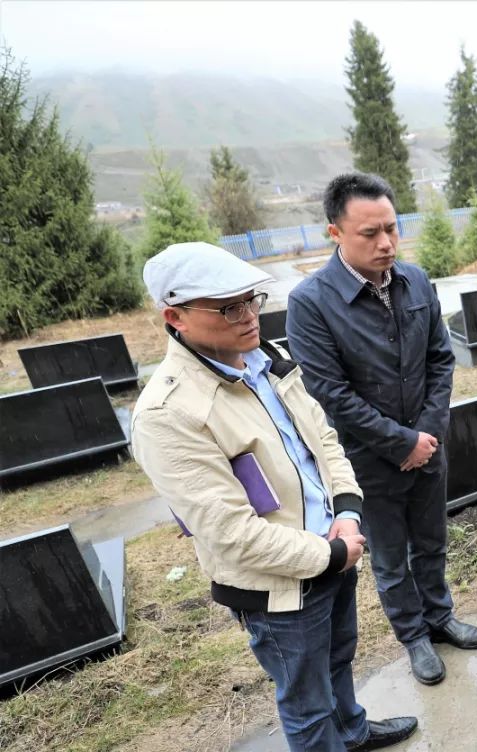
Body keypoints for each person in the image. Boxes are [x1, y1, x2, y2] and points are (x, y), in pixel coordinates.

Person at [131, 241, 417, 752]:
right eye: (228, 308)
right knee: (306, 701)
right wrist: (330, 554)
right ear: (175, 317)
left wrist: (348, 514)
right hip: (279, 586)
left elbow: (322, 442)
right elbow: (230, 533)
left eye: (252, 300)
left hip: (335, 543)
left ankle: (351, 733)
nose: (248, 317)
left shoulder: (266, 358)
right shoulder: (169, 413)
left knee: (337, 658)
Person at [287, 172, 477, 687]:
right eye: (369, 234)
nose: (386, 243)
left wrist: (427, 434)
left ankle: (440, 617)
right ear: (335, 233)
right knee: (391, 556)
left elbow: (441, 361)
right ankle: (413, 635)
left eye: (392, 229)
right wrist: (401, 443)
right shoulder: (311, 302)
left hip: (428, 444)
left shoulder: (416, 281)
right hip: (367, 459)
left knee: (433, 540)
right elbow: (330, 393)